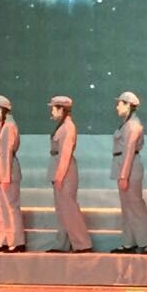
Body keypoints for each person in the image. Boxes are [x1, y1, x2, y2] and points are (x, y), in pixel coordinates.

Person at [110, 91, 147, 254]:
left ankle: (146, 243)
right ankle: (129, 242)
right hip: (123, 164)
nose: (117, 107)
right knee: (127, 206)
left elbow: (129, 151)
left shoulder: (133, 125)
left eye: (120, 103)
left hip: (130, 167)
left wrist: (124, 175)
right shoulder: (127, 124)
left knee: (135, 205)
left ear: (128, 105)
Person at [46, 95, 92, 253]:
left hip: (65, 171)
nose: (52, 111)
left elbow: (65, 154)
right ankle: (62, 243)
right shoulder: (62, 126)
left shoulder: (68, 127)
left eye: (54, 108)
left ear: (62, 109)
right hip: (58, 168)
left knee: (69, 208)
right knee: (61, 209)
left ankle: (82, 243)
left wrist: (59, 176)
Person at [0, 95, 25, 253]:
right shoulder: (4, 125)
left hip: (8, 171)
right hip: (2, 171)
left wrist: (5, 177)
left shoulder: (9, 126)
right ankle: (3, 240)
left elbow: (7, 152)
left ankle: (16, 241)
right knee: (2, 209)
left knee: (11, 207)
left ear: (1, 109)